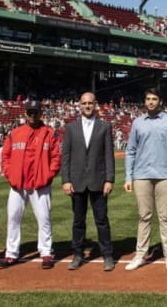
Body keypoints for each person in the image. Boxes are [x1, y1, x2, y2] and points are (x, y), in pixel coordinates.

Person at [0, 100, 61, 270]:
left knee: (44, 218)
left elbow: (56, 158)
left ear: (42, 114)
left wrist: (48, 175)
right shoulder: (15, 133)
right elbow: (6, 156)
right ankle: (11, 253)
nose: (33, 116)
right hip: (18, 184)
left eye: (36, 112)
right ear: (25, 114)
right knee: (13, 218)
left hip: (40, 184)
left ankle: (46, 252)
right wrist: (10, 174)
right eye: (30, 112)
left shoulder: (50, 133)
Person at [124, 88, 167, 271]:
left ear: (160, 101)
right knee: (144, 217)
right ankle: (140, 255)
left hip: (165, 175)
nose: (151, 102)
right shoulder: (137, 123)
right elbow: (130, 150)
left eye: (154, 99)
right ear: (145, 101)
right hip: (142, 176)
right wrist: (128, 176)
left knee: (165, 217)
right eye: (148, 98)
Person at [61, 92, 116, 272]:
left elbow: (109, 155)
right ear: (79, 105)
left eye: (90, 103)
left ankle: (107, 254)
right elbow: (66, 156)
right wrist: (66, 180)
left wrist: (109, 179)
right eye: (84, 103)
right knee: (78, 221)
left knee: (102, 220)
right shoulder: (70, 128)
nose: (87, 106)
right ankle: (77, 254)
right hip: (76, 181)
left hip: (98, 181)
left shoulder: (104, 127)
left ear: (95, 105)